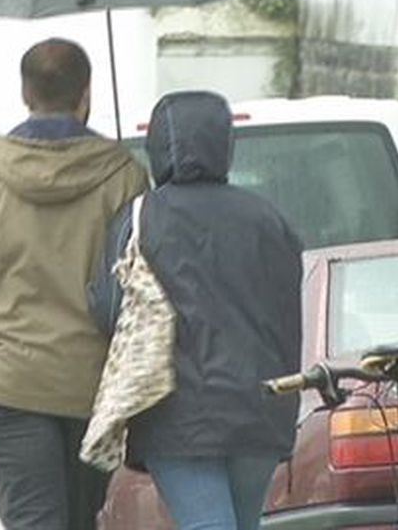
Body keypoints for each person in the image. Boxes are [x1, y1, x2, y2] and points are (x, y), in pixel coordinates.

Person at [0, 37, 148, 530]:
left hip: (2, 375)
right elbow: (143, 283)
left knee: (33, 519)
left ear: (25, 93)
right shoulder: (124, 175)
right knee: (81, 519)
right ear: (85, 93)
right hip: (93, 381)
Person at [88, 90, 304, 530]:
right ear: (225, 144)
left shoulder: (141, 216)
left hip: (177, 416)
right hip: (261, 408)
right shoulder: (268, 217)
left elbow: (112, 309)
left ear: (157, 150)